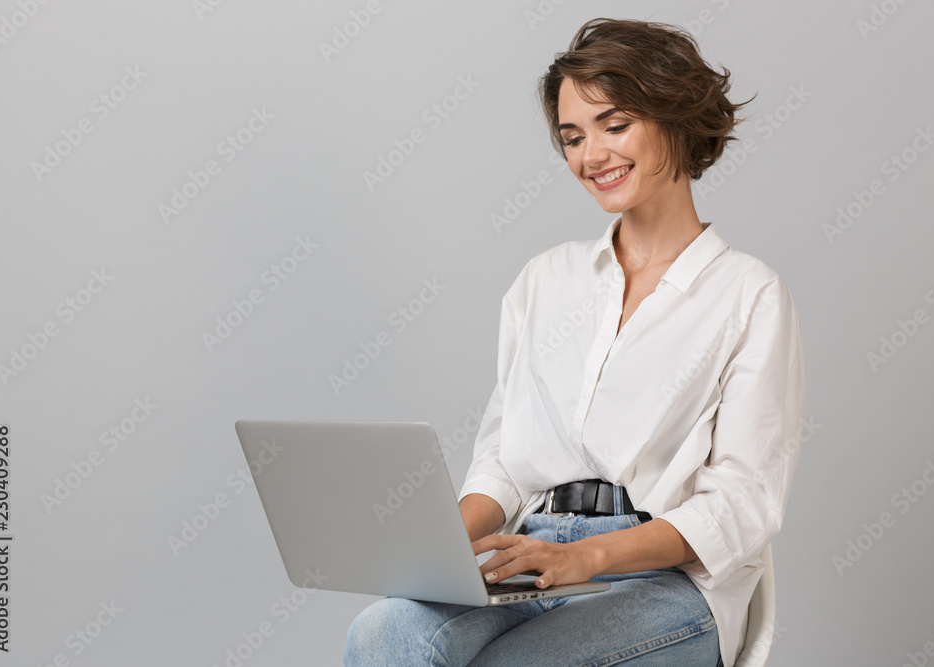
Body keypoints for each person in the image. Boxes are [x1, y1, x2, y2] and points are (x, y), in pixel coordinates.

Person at [345, 17, 807, 667]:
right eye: (572, 137)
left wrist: (585, 556)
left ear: (675, 115)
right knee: (381, 634)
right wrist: (439, 544)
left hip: (663, 577)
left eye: (614, 125)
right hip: (529, 554)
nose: (591, 156)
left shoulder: (748, 294)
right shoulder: (545, 281)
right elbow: (503, 462)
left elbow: (741, 504)